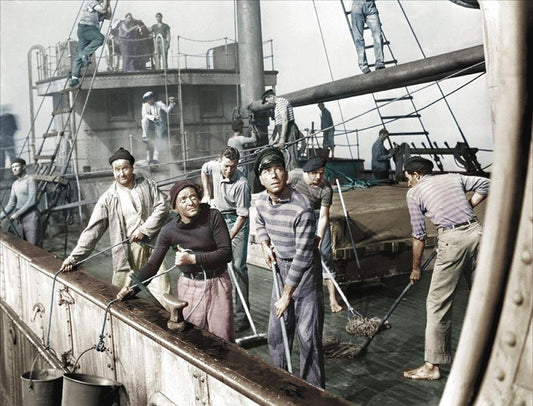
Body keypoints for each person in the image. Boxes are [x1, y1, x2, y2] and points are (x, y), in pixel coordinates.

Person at [402, 156, 489, 380]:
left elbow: (419, 236)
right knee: (485, 296)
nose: (408, 182)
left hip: (452, 240)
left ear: (416, 175)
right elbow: (487, 184)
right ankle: (494, 355)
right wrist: (469, 206)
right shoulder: (453, 177)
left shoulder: (414, 193)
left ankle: (432, 366)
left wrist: (416, 268)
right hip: (478, 234)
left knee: (437, 304)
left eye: (408, 177)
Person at [117, 180, 234, 342]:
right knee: (192, 339)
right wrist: (132, 287)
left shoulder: (213, 216)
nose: (190, 202)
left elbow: (226, 253)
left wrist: (193, 259)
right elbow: (152, 265)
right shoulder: (169, 231)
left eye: (193, 197)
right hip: (190, 287)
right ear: (175, 207)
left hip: (218, 283)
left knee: (223, 338)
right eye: (183, 199)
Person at [59, 148, 170, 306]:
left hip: (154, 247)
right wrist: (74, 258)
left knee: (164, 294)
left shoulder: (147, 184)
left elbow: (163, 207)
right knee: (121, 298)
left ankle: (168, 317)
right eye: (117, 170)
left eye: (125, 168)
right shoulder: (108, 199)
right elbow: (93, 231)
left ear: (132, 168)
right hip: (127, 253)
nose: (121, 173)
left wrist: (144, 230)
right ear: (113, 171)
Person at [254, 148, 325, 388]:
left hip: (304, 273)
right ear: (261, 179)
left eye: (278, 169)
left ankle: (314, 393)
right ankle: (280, 387)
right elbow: (259, 221)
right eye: (267, 171)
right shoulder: (261, 201)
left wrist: (286, 296)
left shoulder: (302, 207)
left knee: (308, 337)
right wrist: (264, 243)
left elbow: (304, 256)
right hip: (280, 269)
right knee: (276, 334)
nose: (273, 175)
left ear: (285, 173)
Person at [201, 146, 252, 333]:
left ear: (237, 164)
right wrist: (207, 194)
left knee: (238, 267)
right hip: (218, 218)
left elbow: (243, 216)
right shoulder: (214, 167)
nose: (228, 170)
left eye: (233, 166)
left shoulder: (242, 184)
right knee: (214, 264)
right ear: (219, 161)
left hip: (236, 221)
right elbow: (204, 170)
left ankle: (241, 316)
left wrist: (228, 238)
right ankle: (216, 311)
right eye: (226, 166)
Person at [288, 157, 342, 313]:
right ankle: (292, 294)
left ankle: (332, 298)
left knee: (325, 254)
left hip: (317, 216)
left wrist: (318, 238)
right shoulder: (294, 177)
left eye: (321, 173)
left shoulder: (326, 189)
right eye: (314, 173)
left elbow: (324, 217)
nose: (318, 177)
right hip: (297, 217)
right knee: (296, 254)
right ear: (306, 172)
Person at [68, 0, 111, 88]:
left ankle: (74, 78)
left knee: (79, 57)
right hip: (88, 28)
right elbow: (103, 10)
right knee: (100, 38)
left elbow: (108, 16)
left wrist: (108, 3)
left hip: (84, 30)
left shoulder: (97, 7)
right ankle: (84, 54)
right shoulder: (91, 1)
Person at [0, 158, 41, 245]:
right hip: (21, 218)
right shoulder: (15, 184)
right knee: (23, 245)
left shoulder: (30, 180)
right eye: (12, 167)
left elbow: (32, 201)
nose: (14, 169)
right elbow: (11, 204)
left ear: (23, 167)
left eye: (17, 166)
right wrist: (0, 217)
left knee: (33, 246)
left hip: (31, 216)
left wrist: (16, 214)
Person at [262, 89, 300, 171]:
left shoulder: (281, 102)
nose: (268, 103)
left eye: (267, 101)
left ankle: (293, 174)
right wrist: (276, 140)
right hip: (284, 130)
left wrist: (282, 139)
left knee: (291, 156)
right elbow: (279, 125)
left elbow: (285, 121)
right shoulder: (277, 105)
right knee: (285, 156)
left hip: (289, 130)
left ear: (271, 97)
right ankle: (287, 173)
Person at [350, 0, 385, 74]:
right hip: (357, 6)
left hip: (370, 6)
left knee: (378, 35)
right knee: (358, 39)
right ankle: (363, 65)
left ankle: (380, 62)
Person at [141, 91, 176, 165]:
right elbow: (144, 115)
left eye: (150, 99)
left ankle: (155, 158)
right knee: (144, 120)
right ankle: (145, 136)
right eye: (147, 100)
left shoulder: (159, 103)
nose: (149, 101)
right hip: (150, 124)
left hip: (159, 124)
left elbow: (167, 110)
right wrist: (153, 117)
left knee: (158, 140)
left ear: (153, 98)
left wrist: (172, 103)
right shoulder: (145, 105)